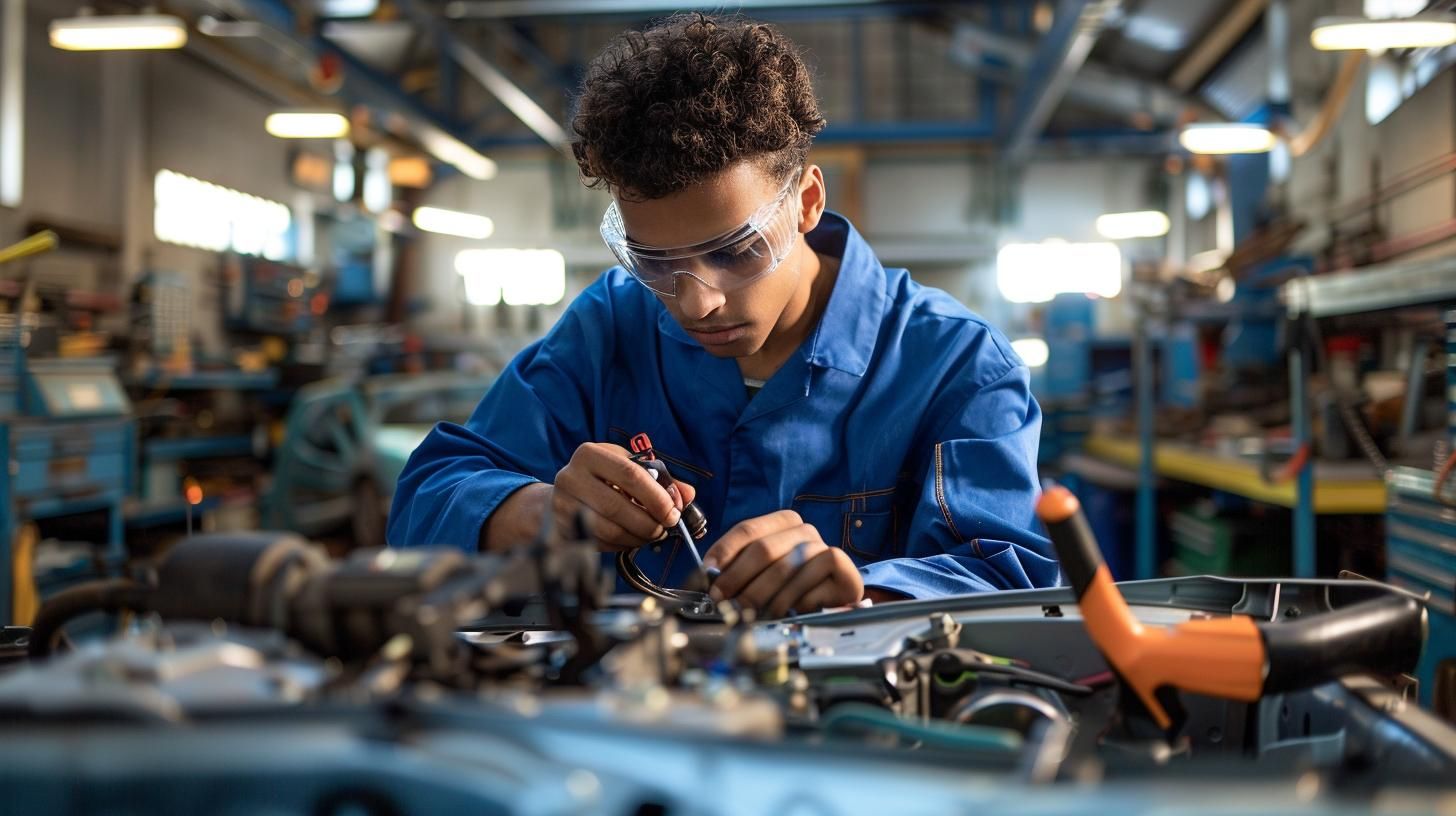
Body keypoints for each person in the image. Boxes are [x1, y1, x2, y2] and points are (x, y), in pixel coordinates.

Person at [388, 13, 1058, 615]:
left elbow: (1014, 576)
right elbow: (428, 494)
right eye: (656, 263)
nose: (696, 302)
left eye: (734, 251)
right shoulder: (608, 329)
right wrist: (542, 511)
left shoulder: (955, 366)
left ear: (806, 202)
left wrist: (869, 595)